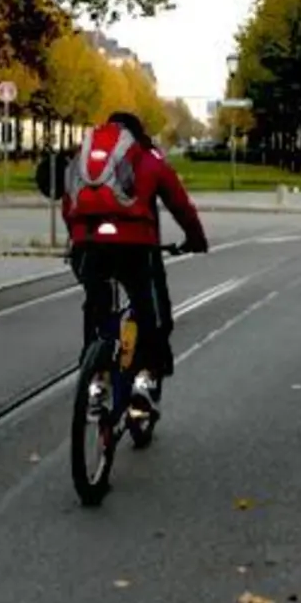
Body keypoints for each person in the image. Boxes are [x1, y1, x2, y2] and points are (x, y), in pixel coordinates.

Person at [61, 112, 208, 413]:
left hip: (88, 245)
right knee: (152, 313)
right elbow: (180, 204)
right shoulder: (148, 158)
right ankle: (146, 381)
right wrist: (196, 239)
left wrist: (77, 240)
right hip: (136, 247)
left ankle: (96, 380)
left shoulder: (84, 159)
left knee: (97, 305)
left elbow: (68, 205)